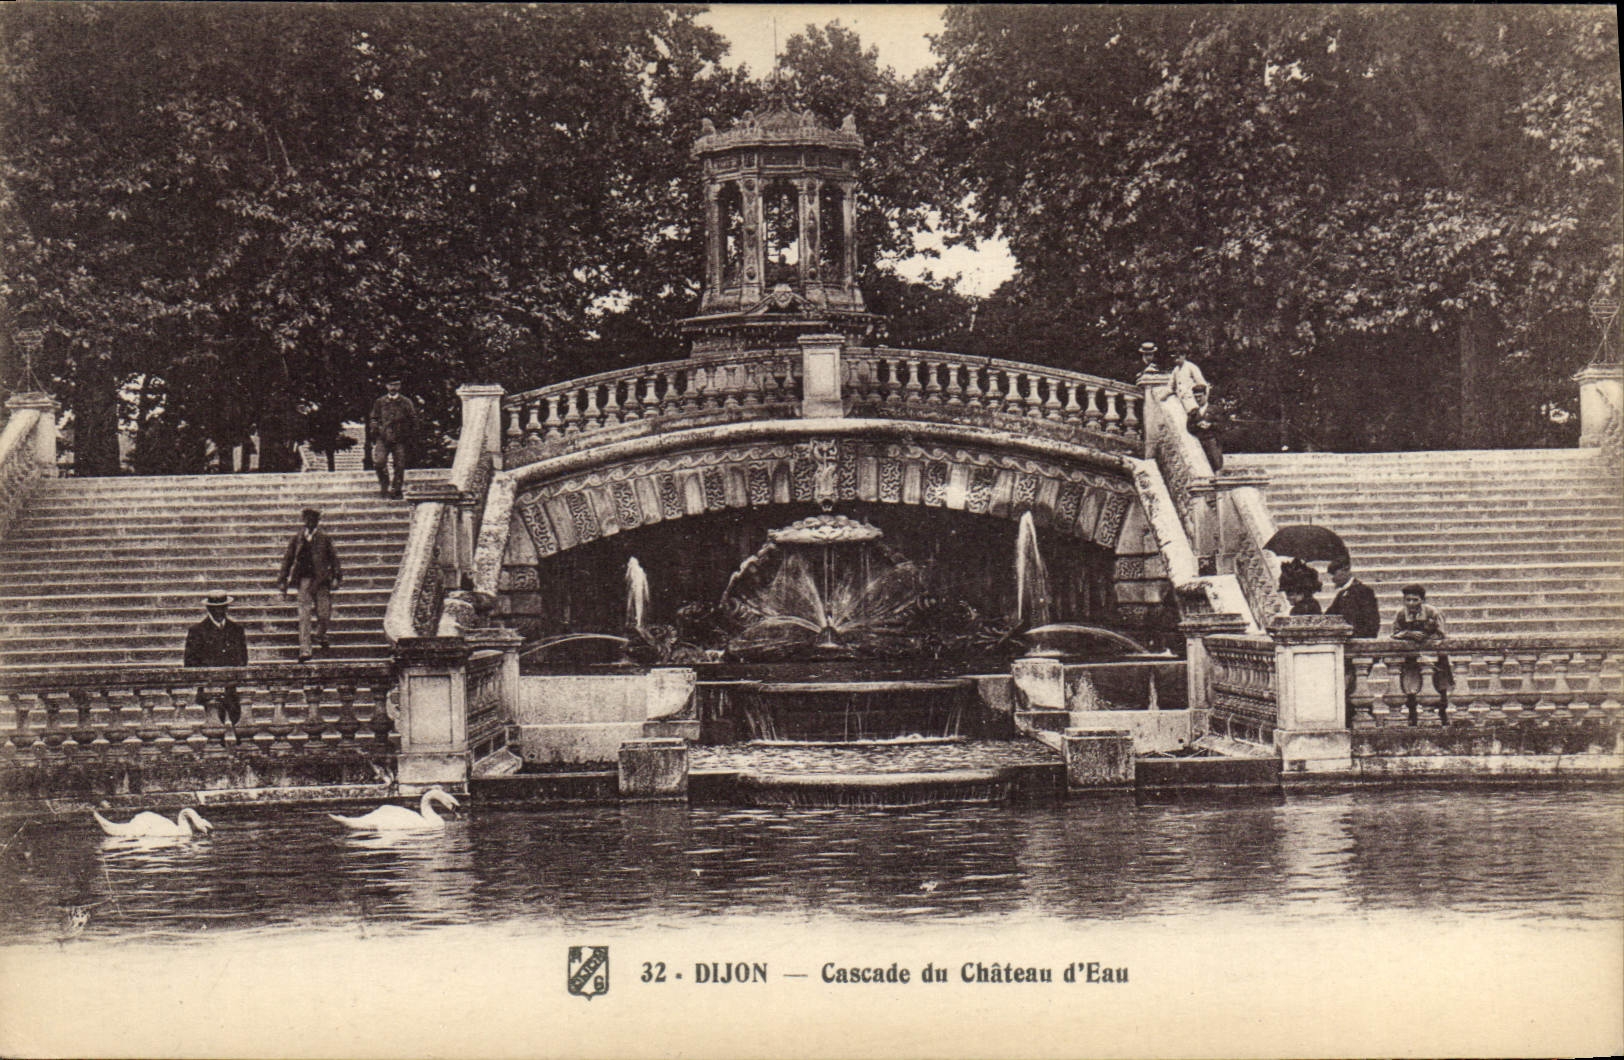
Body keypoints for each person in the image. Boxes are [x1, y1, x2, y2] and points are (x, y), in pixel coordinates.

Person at [277, 508, 343, 663]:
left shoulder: (324, 538)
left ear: (317, 521)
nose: (310, 523)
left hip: (321, 581)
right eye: (307, 520)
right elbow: (288, 559)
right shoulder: (298, 539)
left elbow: (334, 559)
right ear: (304, 521)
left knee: (324, 614)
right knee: (304, 616)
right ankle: (305, 650)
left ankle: (320, 634)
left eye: (313, 520)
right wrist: (282, 579)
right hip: (304, 580)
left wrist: (336, 577)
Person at [1391, 584, 1453, 726]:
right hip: (1412, 655)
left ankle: (1442, 714)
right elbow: (1394, 633)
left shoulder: (1433, 613)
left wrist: (1428, 639)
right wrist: (1409, 634)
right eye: (1408, 600)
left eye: (1415, 600)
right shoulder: (1401, 614)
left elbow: (1442, 634)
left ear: (1422, 600)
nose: (1411, 603)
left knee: (1440, 684)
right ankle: (1412, 715)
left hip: (1433, 655)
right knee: (1410, 685)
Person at [183, 593, 247, 725]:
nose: (220, 611)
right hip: (210, 687)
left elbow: (243, 658)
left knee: (241, 726)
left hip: (232, 687)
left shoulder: (236, 630)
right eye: (216, 608)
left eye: (223, 607)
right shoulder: (197, 631)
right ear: (209, 609)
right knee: (215, 727)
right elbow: (190, 661)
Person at [368, 377, 419, 499]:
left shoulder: (406, 402)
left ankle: (396, 490)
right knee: (379, 462)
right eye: (390, 385)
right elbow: (373, 418)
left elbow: (413, 420)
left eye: (396, 385)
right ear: (386, 386)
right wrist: (376, 429)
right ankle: (384, 486)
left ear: (400, 386)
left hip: (400, 438)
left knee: (399, 465)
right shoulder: (380, 402)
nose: (393, 388)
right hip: (383, 438)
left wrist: (408, 435)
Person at [1325, 559, 1381, 638]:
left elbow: (1372, 622)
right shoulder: (1341, 595)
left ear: (1345, 570)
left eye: (1334, 574)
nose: (1333, 579)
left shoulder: (1364, 591)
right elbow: (1329, 615)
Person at [1187, 383, 1224, 471]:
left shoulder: (1215, 410)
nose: (1198, 399)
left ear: (1205, 395)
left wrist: (1210, 425)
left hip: (1212, 442)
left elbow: (1222, 425)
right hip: (1199, 443)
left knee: (1216, 465)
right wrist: (1197, 425)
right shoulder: (1194, 412)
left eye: (1200, 396)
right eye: (1196, 397)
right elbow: (1189, 427)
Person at [1169, 349, 1209, 413]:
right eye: (1174, 358)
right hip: (1181, 402)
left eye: (1178, 357)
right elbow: (1170, 385)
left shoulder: (1191, 367)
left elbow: (1202, 384)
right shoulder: (1175, 370)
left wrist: (1203, 401)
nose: (1176, 360)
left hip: (1192, 401)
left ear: (1183, 356)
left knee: (1194, 417)